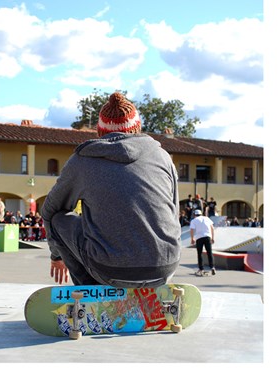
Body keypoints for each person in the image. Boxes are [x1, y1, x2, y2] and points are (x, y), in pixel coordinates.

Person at [42, 92, 181, 287]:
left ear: (100, 132)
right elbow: (173, 212)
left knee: (58, 219)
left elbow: (50, 210)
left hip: (108, 270)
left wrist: (57, 254)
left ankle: (91, 293)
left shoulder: (84, 160)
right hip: (165, 267)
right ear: (137, 128)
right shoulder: (163, 157)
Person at [190, 209, 216, 276]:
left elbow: (192, 230)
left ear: (194, 215)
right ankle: (212, 267)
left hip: (199, 238)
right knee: (209, 253)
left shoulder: (193, 220)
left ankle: (201, 269)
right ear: (201, 214)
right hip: (207, 237)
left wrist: (192, 238)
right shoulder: (207, 218)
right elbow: (212, 228)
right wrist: (213, 238)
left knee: (200, 253)